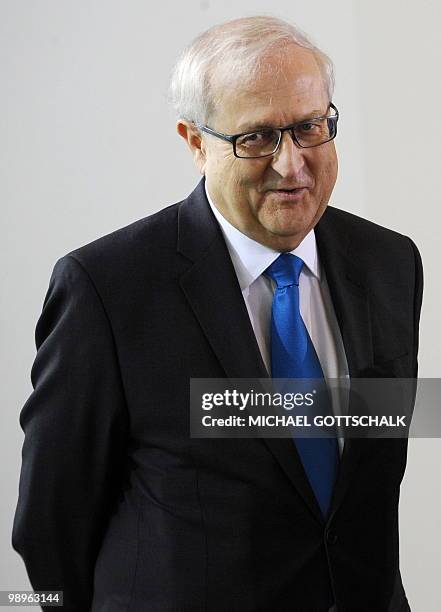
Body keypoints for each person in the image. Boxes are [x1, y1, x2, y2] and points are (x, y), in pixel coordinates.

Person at [12, 15, 422, 612]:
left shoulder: (391, 263)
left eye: (311, 127)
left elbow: (369, 475)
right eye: (256, 137)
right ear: (195, 142)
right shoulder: (106, 289)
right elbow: (50, 526)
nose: (292, 164)